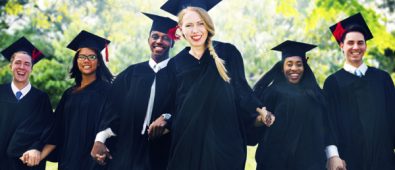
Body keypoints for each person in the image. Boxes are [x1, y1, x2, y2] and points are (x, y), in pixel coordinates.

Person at [161, 0, 275, 169]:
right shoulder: (175, 64)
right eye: (189, 25)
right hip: (187, 145)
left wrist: (260, 110)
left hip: (224, 144)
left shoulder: (227, 53)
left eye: (200, 23)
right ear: (180, 30)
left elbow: (241, 90)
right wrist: (164, 118)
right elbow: (173, 107)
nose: (195, 30)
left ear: (208, 24)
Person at [90, 12, 178, 169]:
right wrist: (100, 139)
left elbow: (185, 107)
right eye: (155, 36)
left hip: (162, 153)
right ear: (148, 40)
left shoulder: (179, 75)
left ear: (172, 43)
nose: (159, 41)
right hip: (127, 150)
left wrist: (168, 117)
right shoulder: (131, 73)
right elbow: (112, 110)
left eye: (166, 38)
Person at [324, 12, 395, 170]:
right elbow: (328, 123)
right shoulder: (332, 83)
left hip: (384, 160)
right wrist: (333, 156)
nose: (355, 47)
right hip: (350, 161)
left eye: (360, 43)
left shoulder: (382, 79)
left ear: (366, 46)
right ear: (342, 46)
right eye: (350, 43)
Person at [40, 30, 114, 170]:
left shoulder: (108, 91)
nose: (86, 61)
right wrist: (39, 153)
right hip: (68, 161)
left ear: (99, 62)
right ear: (76, 60)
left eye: (92, 57)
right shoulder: (69, 94)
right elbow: (56, 129)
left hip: (94, 162)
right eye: (82, 57)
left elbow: (113, 122)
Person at [249, 40, 326, 170]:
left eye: (299, 64)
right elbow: (253, 125)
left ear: (305, 65)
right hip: (274, 163)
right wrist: (262, 118)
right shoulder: (272, 92)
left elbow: (323, 128)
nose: (294, 68)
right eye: (289, 64)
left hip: (309, 163)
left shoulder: (314, 94)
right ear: (282, 66)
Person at [0, 37, 53, 169]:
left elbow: (49, 131)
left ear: (32, 68)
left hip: (26, 164)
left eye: (27, 64)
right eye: (18, 62)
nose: (22, 67)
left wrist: (37, 148)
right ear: (10, 66)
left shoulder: (41, 99)